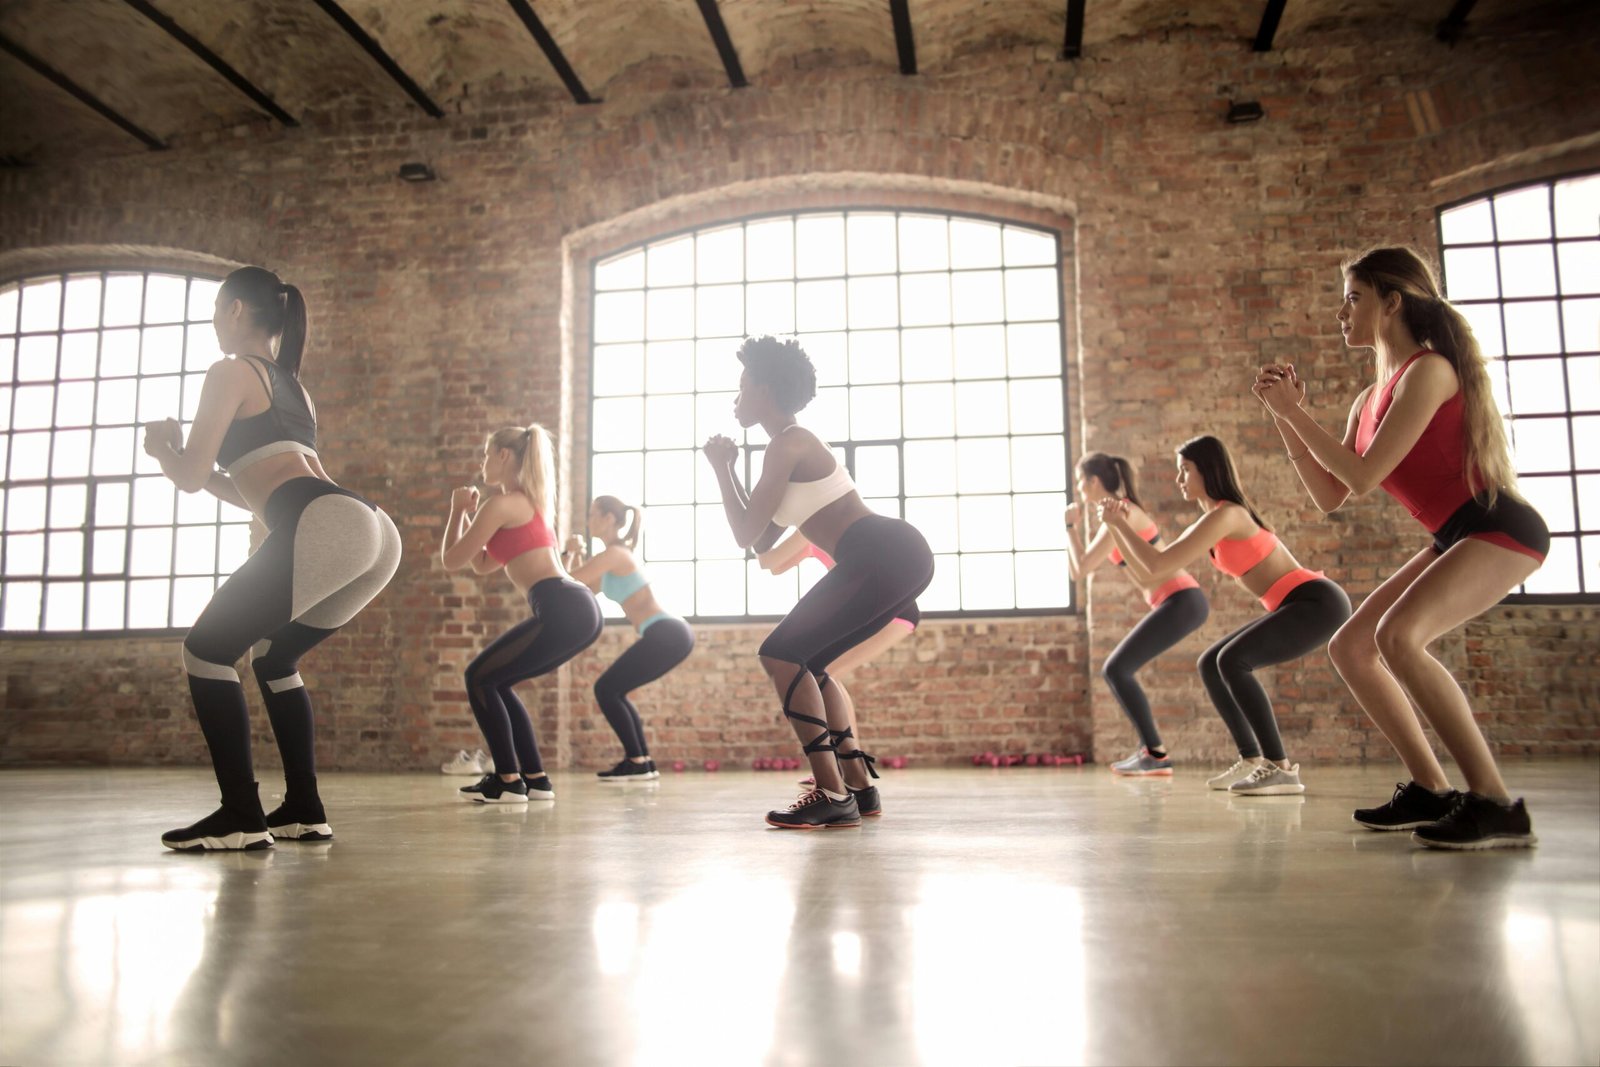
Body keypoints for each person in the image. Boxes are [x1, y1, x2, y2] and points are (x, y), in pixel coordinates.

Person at [1255, 246, 1548, 849]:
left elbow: (1364, 476)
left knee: (1398, 637)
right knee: (1353, 645)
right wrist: (1288, 418)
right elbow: (1332, 494)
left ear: (1392, 303)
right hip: (1454, 534)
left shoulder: (1430, 371)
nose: (1341, 312)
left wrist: (1298, 412)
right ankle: (1429, 789)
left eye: (1354, 297)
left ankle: (1495, 804)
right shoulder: (1368, 399)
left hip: (1498, 526)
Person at [143, 266, 401, 849]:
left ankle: (239, 813)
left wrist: (165, 448)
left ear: (236, 310)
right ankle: (304, 808)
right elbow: (253, 490)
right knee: (274, 657)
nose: (213, 323)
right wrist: (197, 468)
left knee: (205, 651)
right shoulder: (292, 386)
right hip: (371, 529)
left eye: (215, 311)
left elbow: (187, 476)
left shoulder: (230, 370)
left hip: (325, 521)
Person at [702, 336, 934, 829]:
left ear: (764, 390)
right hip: (888, 555)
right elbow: (760, 540)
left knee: (780, 654)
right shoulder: (785, 448)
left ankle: (830, 792)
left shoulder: (790, 441)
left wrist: (723, 470)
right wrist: (733, 473)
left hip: (880, 551)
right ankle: (859, 789)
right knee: (815, 665)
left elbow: (744, 531)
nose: (736, 399)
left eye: (742, 388)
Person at [1103, 435, 1351, 796]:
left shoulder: (1228, 515)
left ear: (1208, 470)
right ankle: (1252, 759)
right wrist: (1115, 526)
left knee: (1233, 660)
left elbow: (1157, 563)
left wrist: (1119, 524)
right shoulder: (1212, 519)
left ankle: (1280, 768)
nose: (1179, 479)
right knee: (1211, 663)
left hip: (1315, 602)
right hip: (1295, 603)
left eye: (1185, 470)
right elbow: (1153, 571)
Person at [440, 424, 602, 804]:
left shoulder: (501, 504)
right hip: (576, 605)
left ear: (503, 456)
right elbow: (480, 563)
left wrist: (455, 511)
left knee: (477, 677)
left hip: (561, 604)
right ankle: (535, 779)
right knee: (496, 681)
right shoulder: (528, 504)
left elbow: (452, 560)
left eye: (486, 455)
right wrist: (465, 515)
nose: (482, 464)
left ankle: (508, 780)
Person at [1064, 452, 1209, 776]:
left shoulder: (1122, 512)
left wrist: (1070, 527)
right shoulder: (1115, 513)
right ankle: (1153, 753)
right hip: (1175, 600)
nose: (1078, 488)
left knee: (1116, 668)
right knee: (1117, 669)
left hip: (1182, 598)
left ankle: (1155, 754)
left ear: (1093, 482)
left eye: (1079, 481)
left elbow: (1082, 566)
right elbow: (1079, 571)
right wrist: (1071, 530)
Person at [757, 529, 919, 791]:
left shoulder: (809, 526)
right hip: (891, 605)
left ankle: (848, 768)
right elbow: (776, 568)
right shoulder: (814, 535)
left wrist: (760, 532)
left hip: (893, 610)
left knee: (824, 673)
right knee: (823, 673)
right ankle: (847, 768)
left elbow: (768, 561)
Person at [562, 496, 694, 781]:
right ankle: (641, 761)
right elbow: (578, 589)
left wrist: (570, 552)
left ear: (610, 519)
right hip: (666, 632)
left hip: (666, 631)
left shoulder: (614, 554)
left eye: (593, 514)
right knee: (612, 690)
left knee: (606, 689)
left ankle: (637, 760)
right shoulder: (611, 558)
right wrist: (573, 555)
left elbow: (568, 579)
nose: (588, 521)